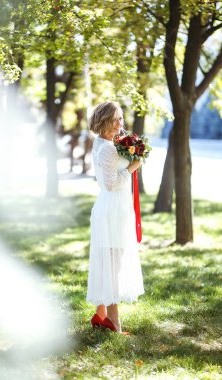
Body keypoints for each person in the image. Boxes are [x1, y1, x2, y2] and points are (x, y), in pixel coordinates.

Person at [86, 101, 144, 333]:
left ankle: (101, 315)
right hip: (112, 210)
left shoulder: (103, 143)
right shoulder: (108, 148)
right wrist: (133, 165)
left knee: (107, 262)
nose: (122, 123)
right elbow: (111, 184)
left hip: (113, 208)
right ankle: (114, 323)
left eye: (121, 118)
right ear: (106, 121)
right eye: (117, 119)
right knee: (113, 264)